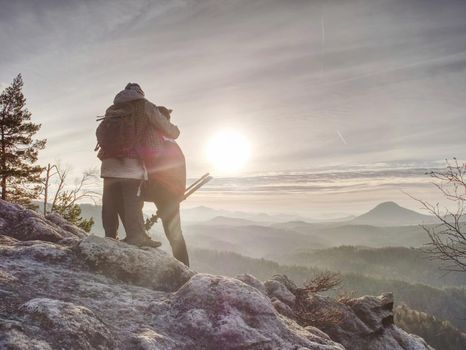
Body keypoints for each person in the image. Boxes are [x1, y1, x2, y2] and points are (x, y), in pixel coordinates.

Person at [97, 83, 180, 248]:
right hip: (131, 163)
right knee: (132, 201)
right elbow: (170, 130)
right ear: (141, 93)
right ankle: (137, 236)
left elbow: (100, 132)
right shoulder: (145, 106)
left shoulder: (112, 108)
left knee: (110, 201)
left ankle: (110, 237)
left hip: (108, 163)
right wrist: (175, 130)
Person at [142, 106, 189, 266]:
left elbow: (152, 167)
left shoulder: (157, 141)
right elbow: (181, 171)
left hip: (160, 191)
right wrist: (180, 192)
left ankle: (183, 269)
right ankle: (184, 268)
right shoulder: (173, 144)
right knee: (175, 234)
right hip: (171, 193)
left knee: (174, 234)